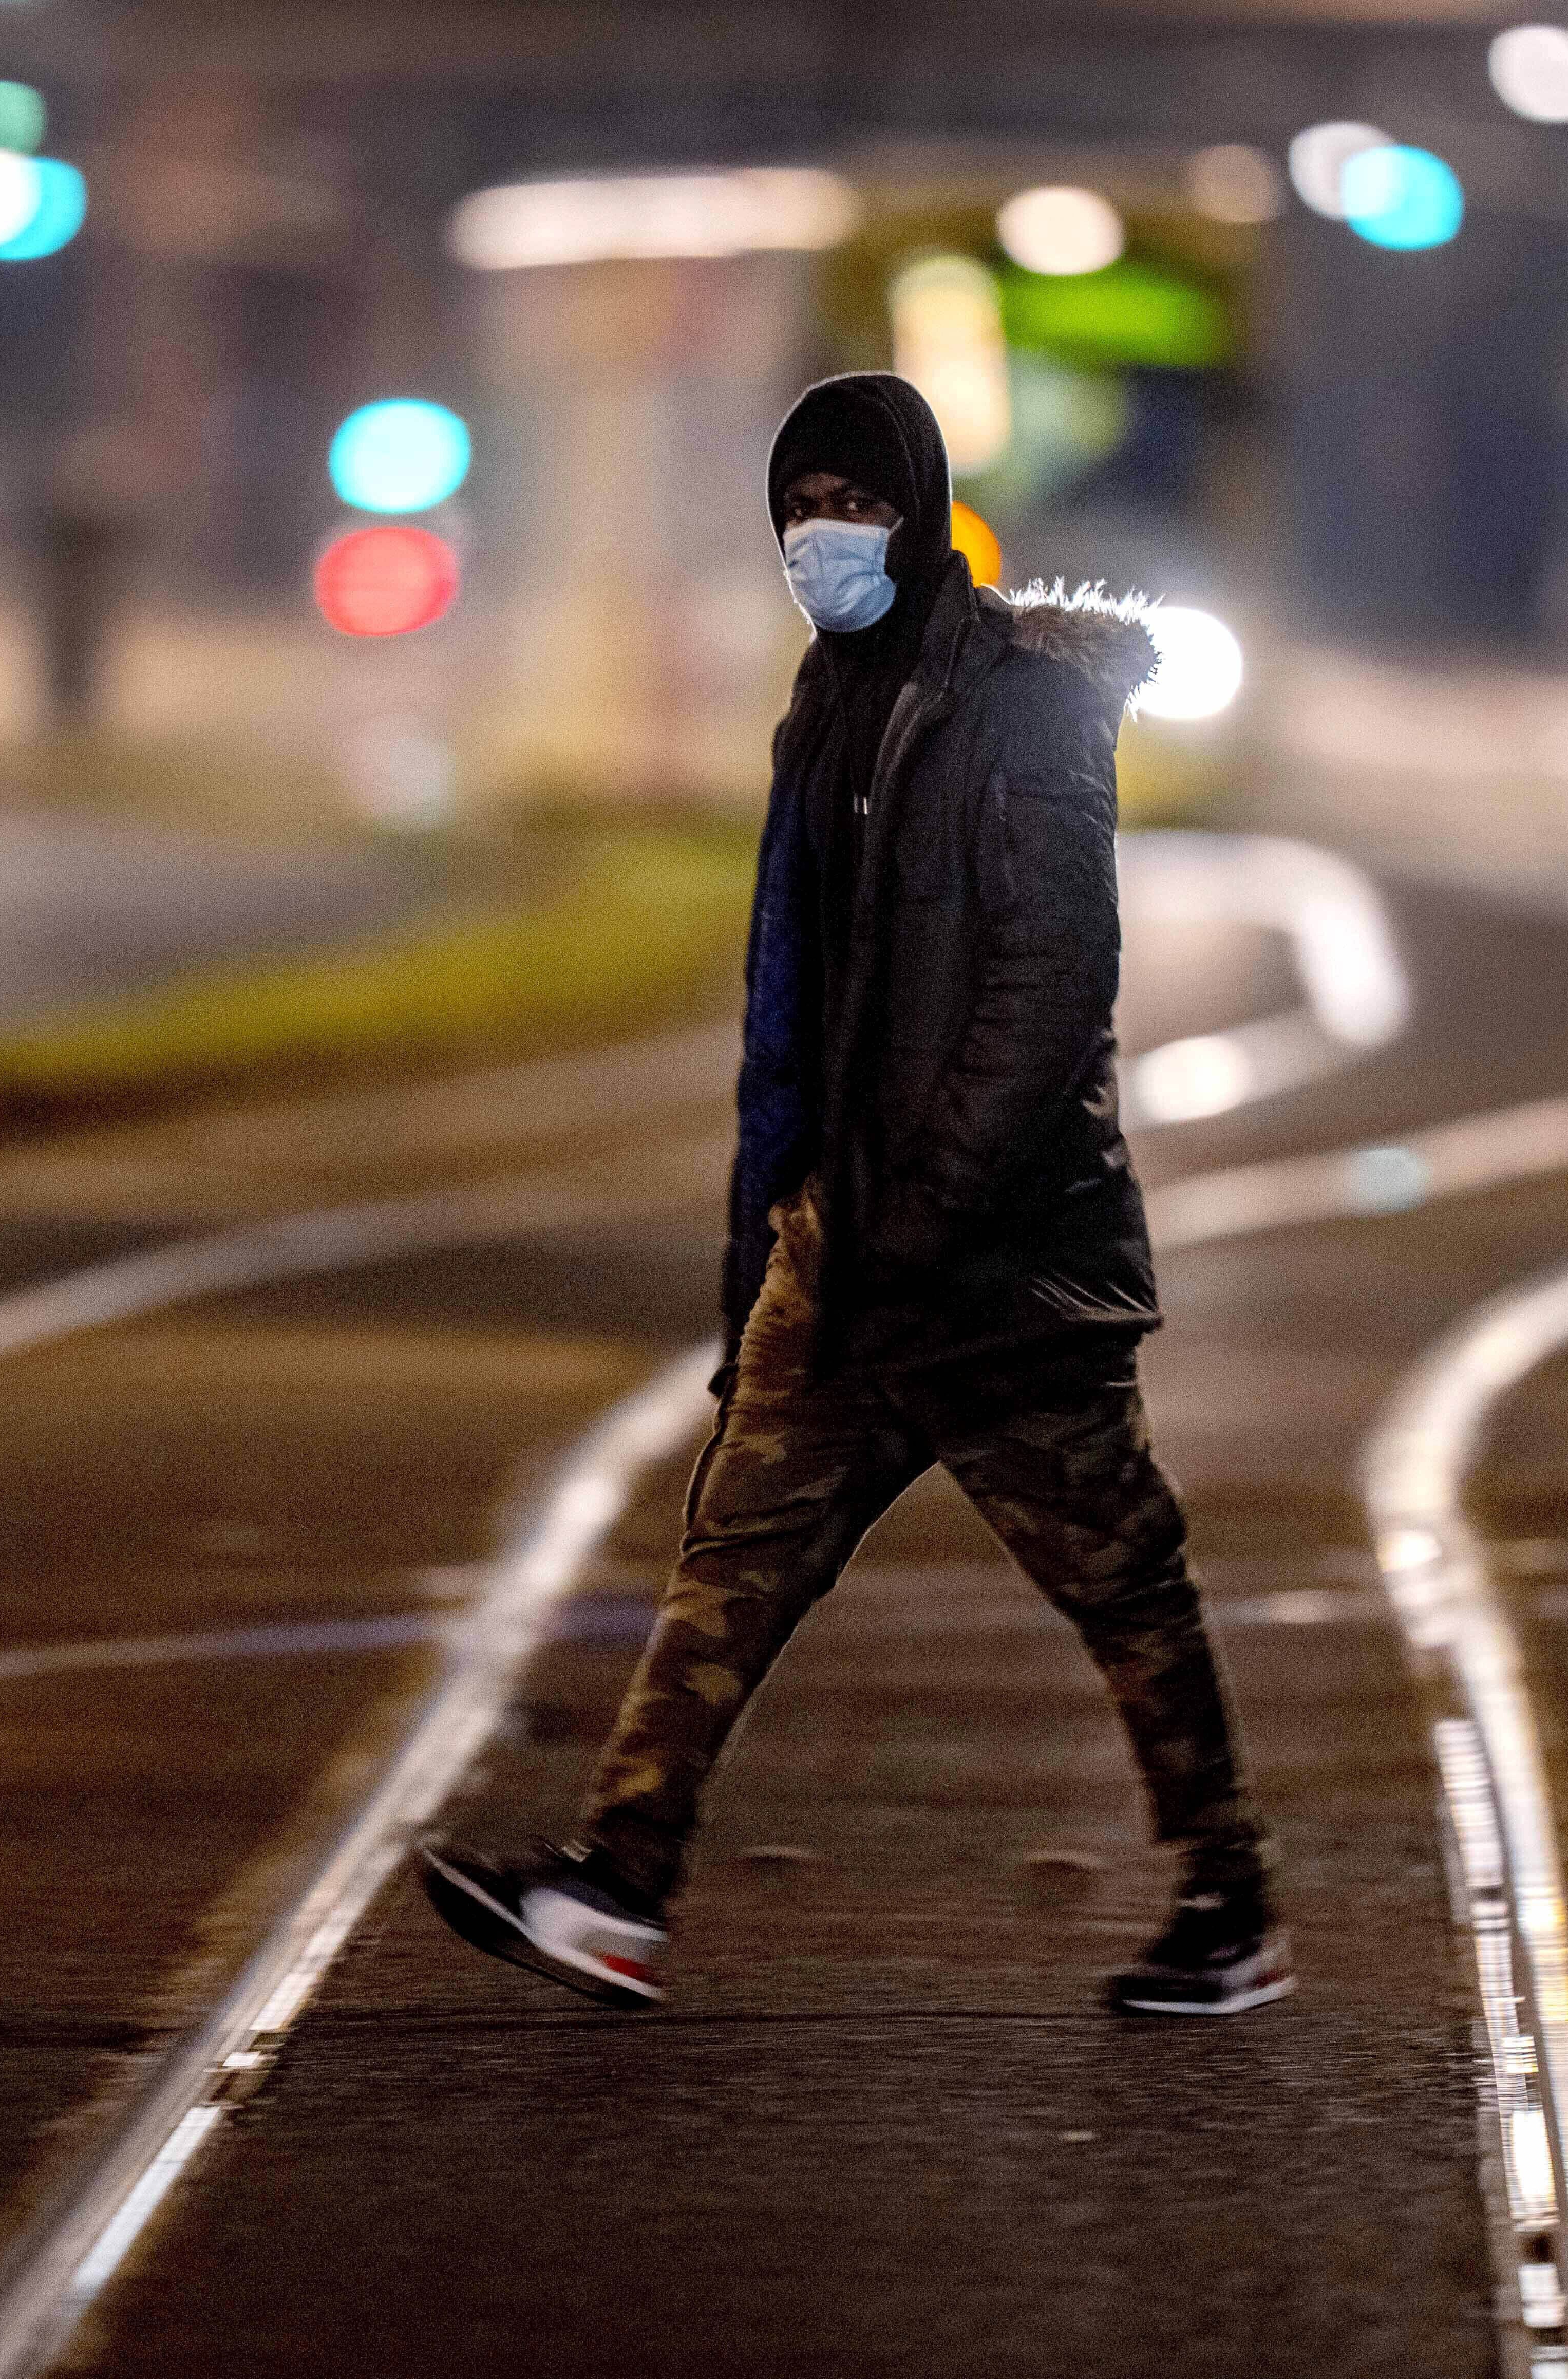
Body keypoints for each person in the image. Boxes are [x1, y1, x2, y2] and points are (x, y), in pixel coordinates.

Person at [421, 371, 1282, 2019]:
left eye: (858, 502)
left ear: (921, 507)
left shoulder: (1022, 706)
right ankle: (617, 1883)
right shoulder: (823, 704)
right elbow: (792, 1004)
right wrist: (773, 1239)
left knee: (1120, 1578)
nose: (828, 534)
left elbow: (1051, 980)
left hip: (999, 1259)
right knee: (731, 1553)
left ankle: (1230, 1896)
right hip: (844, 1243)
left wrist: (933, 1198)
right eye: (803, 507)